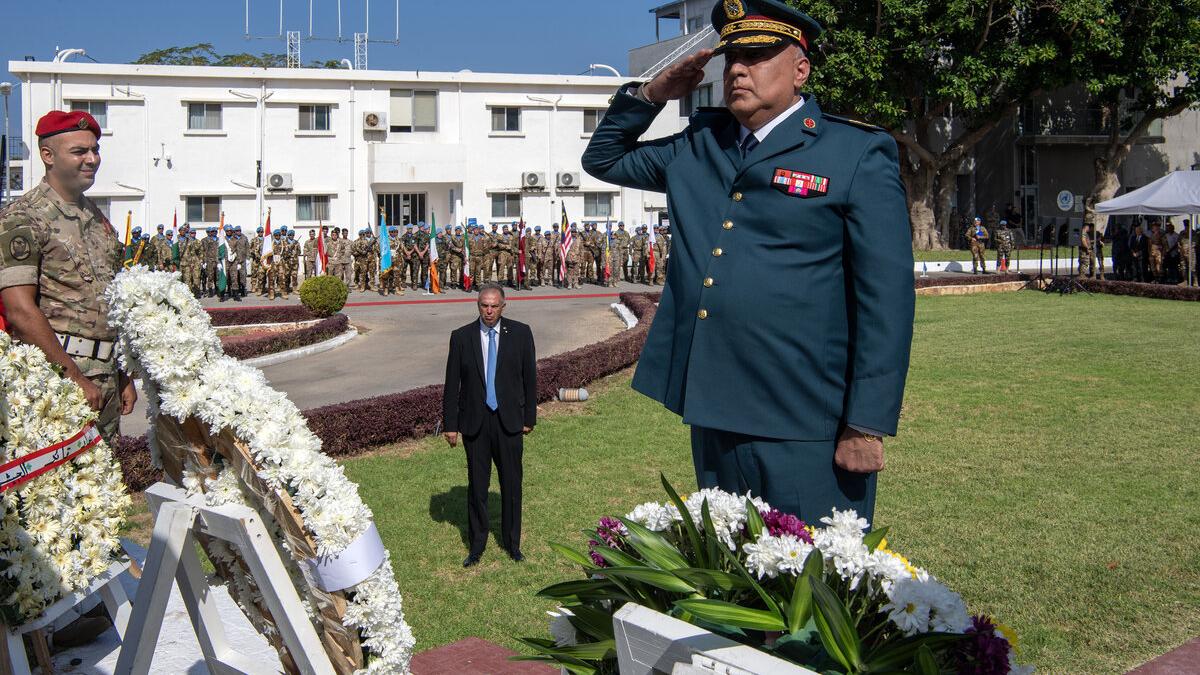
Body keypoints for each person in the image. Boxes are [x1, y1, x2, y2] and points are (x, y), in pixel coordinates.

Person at [582, 0, 914, 525]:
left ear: (800, 69)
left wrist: (867, 423)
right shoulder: (698, 145)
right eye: (733, 56)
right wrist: (653, 94)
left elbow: (886, 301)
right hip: (714, 409)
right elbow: (602, 158)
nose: (738, 68)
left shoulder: (853, 152)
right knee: (733, 575)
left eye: (757, 56)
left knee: (816, 584)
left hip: (805, 418)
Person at [0, 109, 137, 448]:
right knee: (60, 487)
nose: (91, 159)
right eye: (79, 151)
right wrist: (72, 377)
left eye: (95, 150)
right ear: (48, 155)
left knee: (105, 479)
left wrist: (121, 373)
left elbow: (107, 303)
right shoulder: (23, 217)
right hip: (56, 377)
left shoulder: (97, 218)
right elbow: (19, 310)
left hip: (103, 374)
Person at [442, 284, 537, 567]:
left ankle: (512, 543)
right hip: (476, 425)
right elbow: (452, 385)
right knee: (477, 488)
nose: (489, 311)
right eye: (484, 305)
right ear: (478, 305)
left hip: (509, 423)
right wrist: (451, 425)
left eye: (494, 306)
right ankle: (477, 545)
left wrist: (528, 418)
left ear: (503, 306)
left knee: (511, 486)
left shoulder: (521, 333)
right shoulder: (461, 337)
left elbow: (529, 378)